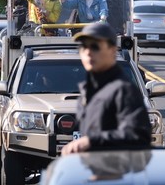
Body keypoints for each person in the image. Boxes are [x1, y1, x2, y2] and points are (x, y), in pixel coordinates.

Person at [61, 23, 151, 155]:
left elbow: (138, 137)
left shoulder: (123, 90)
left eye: (95, 46)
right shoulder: (88, 92)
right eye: (83, 46)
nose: (88, 52)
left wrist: (91, 141)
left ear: (113, 50)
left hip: (118, 173)